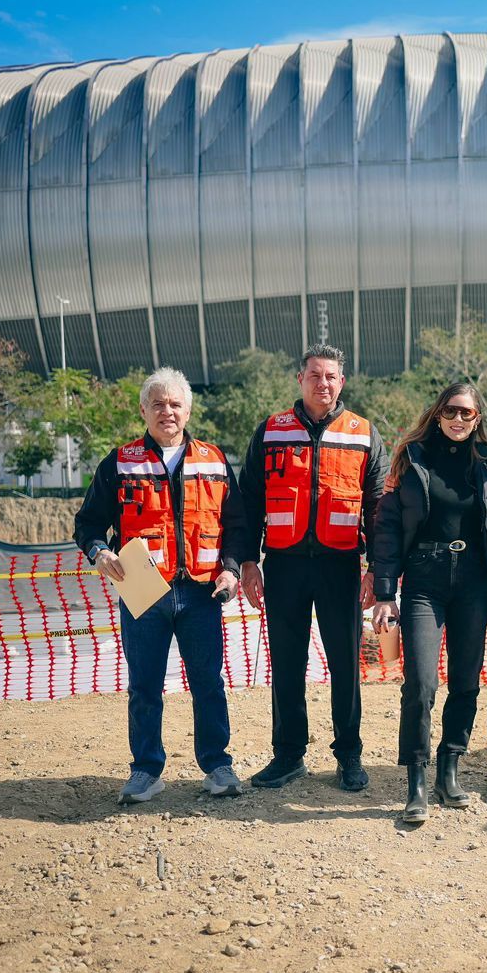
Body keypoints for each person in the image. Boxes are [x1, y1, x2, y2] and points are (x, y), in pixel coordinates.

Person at [73, 368, 250, 804]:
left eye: (175, 404)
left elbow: (237, 525)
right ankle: (146, 770)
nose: (167, 412)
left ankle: (217, 764)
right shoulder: (119, 461)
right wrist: (100, 552)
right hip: (142, 590)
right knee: (145, 685)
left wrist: (231, 568)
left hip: (201, 592)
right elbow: (88, 523)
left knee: (208, 681)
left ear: (188, 409)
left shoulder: (214, 459)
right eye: (158, 403)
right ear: (143, 410)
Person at [239, 344, 388, 793]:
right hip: (283, 565)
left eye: (331, 376)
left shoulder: (363, 432)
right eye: (315, 375)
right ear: (300, 379)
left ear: (342, 382)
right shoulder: (270, 432)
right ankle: (287, 755)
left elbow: (378, 509)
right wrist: (248, 562)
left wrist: (374, 571)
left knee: (346, 664)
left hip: (341, 565)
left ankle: (349, 756)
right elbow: (248, 501)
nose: (323, 383)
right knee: (286, 663)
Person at [369, 384, 487, 823]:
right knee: (421, 683)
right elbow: (386, 526)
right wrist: (385, 591)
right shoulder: (412, 456)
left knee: (466, 680)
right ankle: (417, 781)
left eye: (467, 412)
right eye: (451, 411)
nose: (458, 419)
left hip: (475, 581)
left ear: (478, 417)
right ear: (438, 412)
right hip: (424, 577)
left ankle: (449, 770)